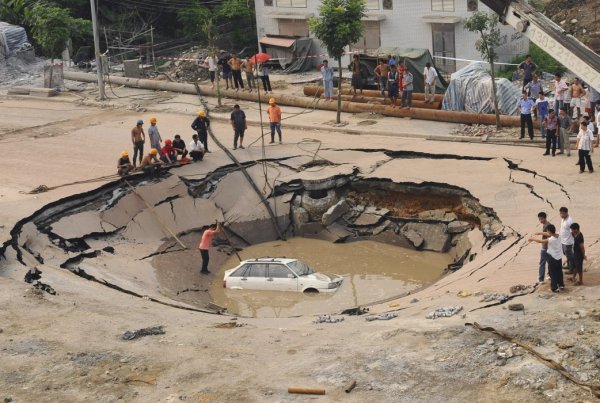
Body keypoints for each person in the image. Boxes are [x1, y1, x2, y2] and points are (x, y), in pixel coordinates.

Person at [529, 224, 564, 293]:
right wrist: (540, 233)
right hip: (559, 257)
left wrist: (532, 239)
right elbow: (548, 233)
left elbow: (540, 241)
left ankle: (554, 288)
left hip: (552, 257)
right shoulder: (558, 235)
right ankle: (561, 285)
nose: (547, 233)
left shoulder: (551, 239)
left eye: (548, 231)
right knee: (559, 271)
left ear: (550, 232)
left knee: (553, 273)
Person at [536, 212, 552, 283]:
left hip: (546, 247)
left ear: (545, 218)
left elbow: (549, 235)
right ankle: (550, 275)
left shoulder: (547, 225)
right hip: (549, 247)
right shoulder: (546, 224)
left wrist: (540, 234)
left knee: (542, 263)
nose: (540, 221)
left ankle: (541, 279)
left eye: (541, 219)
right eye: (539, 219)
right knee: (549, 262)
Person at [559, 207, 574, 276]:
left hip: (568, 242)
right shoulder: (563, 219)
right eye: (560, 213)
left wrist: (574, 241)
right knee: (566, 254)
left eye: (562, 213)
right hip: (563, 241)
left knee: (569, 255)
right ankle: (569, 266)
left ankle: (572, 269)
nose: (561, 215)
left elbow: (572, 232)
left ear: (566, 213)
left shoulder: (569, 221)